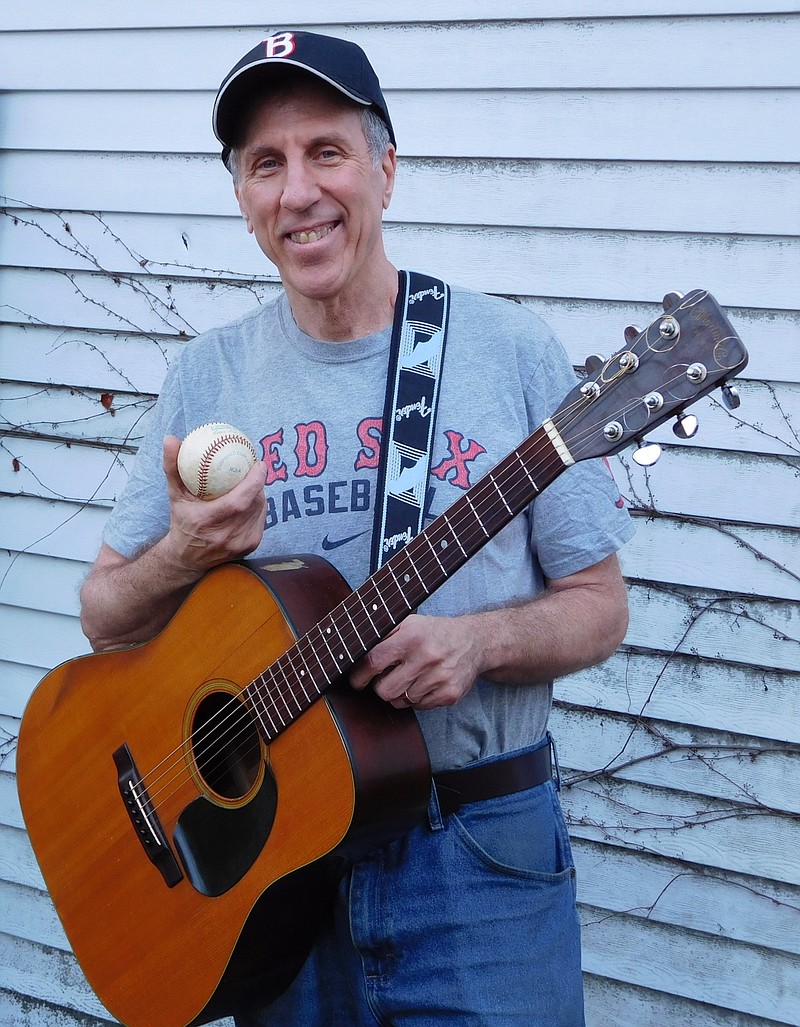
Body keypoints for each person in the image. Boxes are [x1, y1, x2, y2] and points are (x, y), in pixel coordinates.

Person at [80, 30, 634, 1026]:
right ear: (243, 198)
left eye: (325, 151)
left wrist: (480, 640)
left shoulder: (506, 351)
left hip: (473, 861)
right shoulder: (208, 377)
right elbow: (106, 614)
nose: (298, 191)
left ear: (384, 167)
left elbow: (597, 609)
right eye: (265, 164)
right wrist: (185, 553)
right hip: (272, 878)